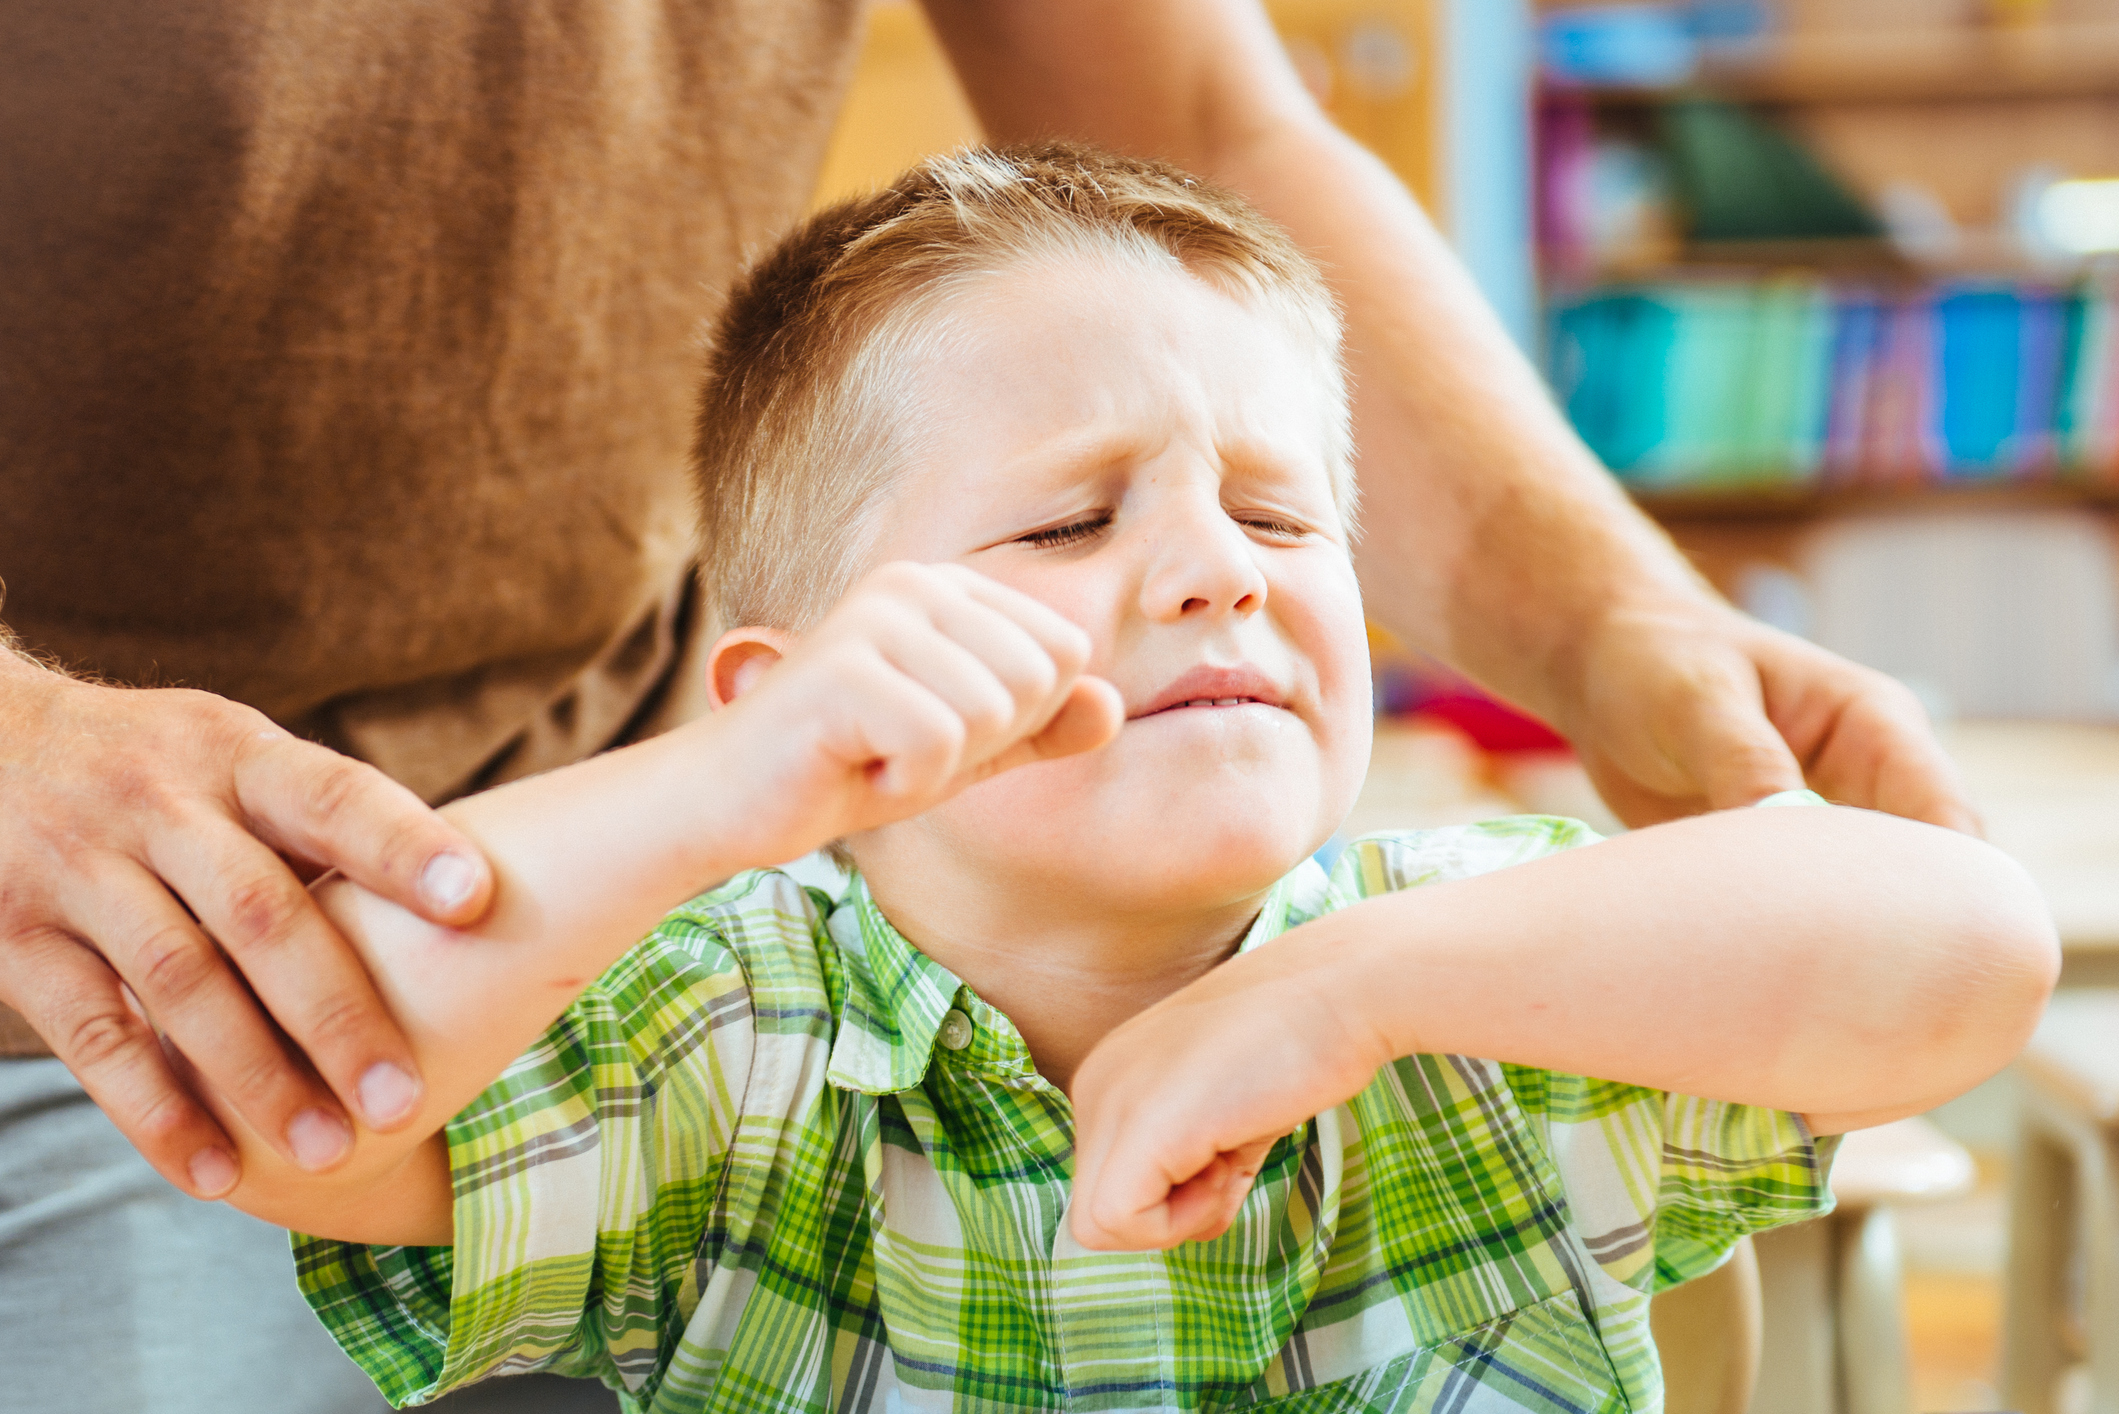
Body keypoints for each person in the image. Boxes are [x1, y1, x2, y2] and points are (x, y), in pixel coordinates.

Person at [0, 3, 1975, 1408]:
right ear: (804, 709)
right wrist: (717, 794)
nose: (1222, 564)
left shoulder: (1469, 973)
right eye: (1067, 515)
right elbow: (301, 1103)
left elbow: (1949, 946)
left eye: (1284, 510)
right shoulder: (730, 1031)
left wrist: (1339, 988)